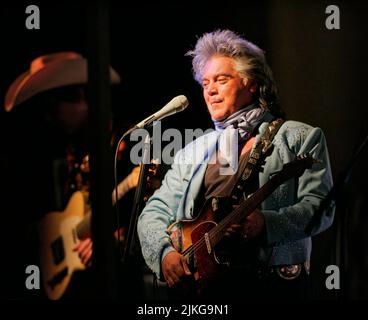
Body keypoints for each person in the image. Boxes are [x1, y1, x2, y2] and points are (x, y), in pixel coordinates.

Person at [137, 29, 335, 300]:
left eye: (221, 79)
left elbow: (321, 208)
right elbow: (153, 211)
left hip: (276, 290)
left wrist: (267, 223)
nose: (211, 91)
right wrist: (164, 253)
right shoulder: (194, 150)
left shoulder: (300, 137)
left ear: (251, 83)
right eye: (205, 84)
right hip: (207, 293)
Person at [4, 51, 121, 299]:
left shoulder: (124, 143)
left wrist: (113, 239)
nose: (49, 116)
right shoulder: (70, 149)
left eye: (53, 105)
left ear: (80, 99)